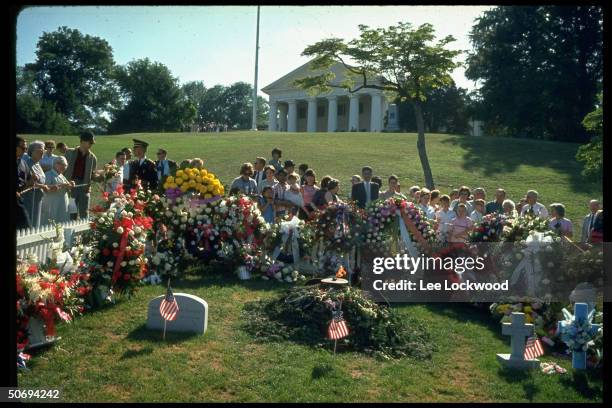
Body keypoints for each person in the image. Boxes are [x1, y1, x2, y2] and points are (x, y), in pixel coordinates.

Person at [64, 131, 98, 220]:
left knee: (84, 212)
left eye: (92, 142)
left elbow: (93, 175)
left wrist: (101, 177)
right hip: (71, 187)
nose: (91, 144)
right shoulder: (69, 152)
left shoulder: (93, 157)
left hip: (84, 188)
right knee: (72, 212)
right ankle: (71, 233)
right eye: (90, 142)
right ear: (83, 141)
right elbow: (62, 170)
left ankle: (84, 233)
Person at [21, 141, 49, 228]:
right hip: (28, 197)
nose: (41, 153)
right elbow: (25, 181)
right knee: (29, 222)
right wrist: (42, 186)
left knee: (36, 221)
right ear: (31, 151)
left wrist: (44, 186)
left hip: (38, 198)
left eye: (43, 151)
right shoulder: (26, 163)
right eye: (39, 151)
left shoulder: (37, 164)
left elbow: (41, 180)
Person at [42, 156, 75, 224]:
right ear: (55, 164)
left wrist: (71, 185)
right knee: (51, 222)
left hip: (63, 203)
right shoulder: (48, 174)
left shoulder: (62, 176)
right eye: (61, 164)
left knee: (62, 221)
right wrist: (62, 185)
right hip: (52, 203)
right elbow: (45, 188)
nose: (63, 167)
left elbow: (68, 188)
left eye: (65, 165)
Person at [16, 136, 32, 228]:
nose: (25, 151)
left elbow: (27, 182)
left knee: (26, 228)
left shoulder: (23, 163)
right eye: (23, 148)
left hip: (18, 201)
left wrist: (32, 180)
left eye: (26, 148)